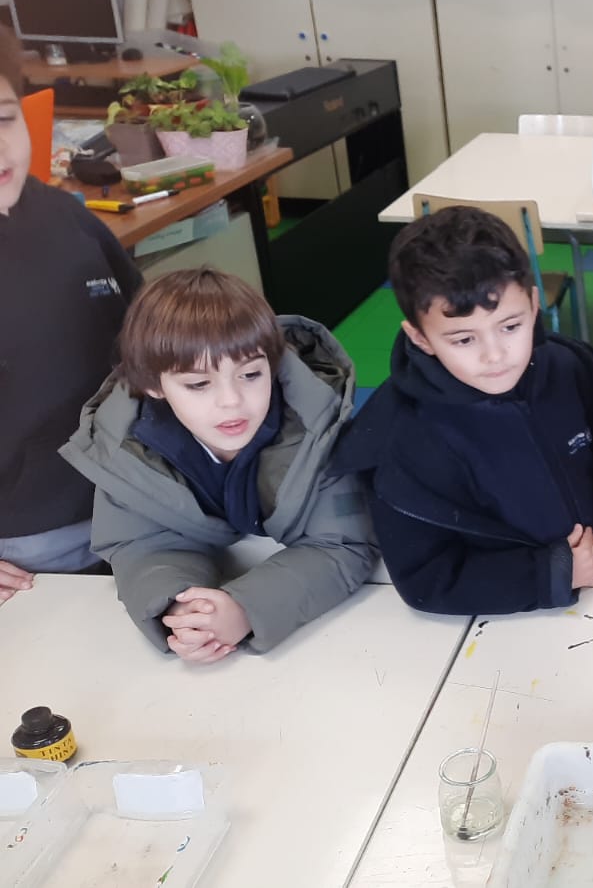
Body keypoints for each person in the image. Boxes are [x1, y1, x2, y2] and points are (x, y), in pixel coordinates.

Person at [59, 269, 376, 661]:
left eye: (251, 374)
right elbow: (140, 546)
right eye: (198, 384)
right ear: (153, 385)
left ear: (273, 364)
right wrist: (182, 609)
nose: (231, 401)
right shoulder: (126, 450)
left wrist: (246, 608)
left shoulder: (317, 425)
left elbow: (343, 544)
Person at [332, 206, 593, 614]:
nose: (495, 355)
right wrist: (556, 572)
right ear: (420, 338)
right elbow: (427, 580)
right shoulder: (399, 440)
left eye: (510, 326)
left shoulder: (572, 368)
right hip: (512, 620)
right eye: (463, 340)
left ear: (533, 303)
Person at [0, 26, 141, 603]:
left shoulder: (65, 216)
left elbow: (144, 339)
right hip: (29, 555)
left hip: (134, 509)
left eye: (4, 119)